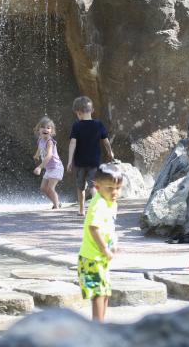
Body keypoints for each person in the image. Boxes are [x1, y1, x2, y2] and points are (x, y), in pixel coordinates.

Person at [77, 163, 123, 322]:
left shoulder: (112, 202)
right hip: (91, 258)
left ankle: (100, 324)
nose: (115, 192)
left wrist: (114, 241)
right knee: (99, 293)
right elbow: (94, 228)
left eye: (118, 188)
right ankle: (97, 325)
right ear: (97, 187)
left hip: (100, 258)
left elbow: (109, 226)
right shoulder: (99, 204)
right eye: (110, 188)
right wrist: (105, 249)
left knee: (105, 292)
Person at [67, 96, 114, 216]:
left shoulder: (76, 125)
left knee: (80, 186)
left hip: (80, 162)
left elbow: (73, 142)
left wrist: (69, 160)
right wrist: (110, 152)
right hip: (94, 161)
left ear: (78, 113)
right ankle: (96, 208)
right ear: (92, 110)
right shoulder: (98, 124)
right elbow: (106, 141)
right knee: (93, 185)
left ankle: (81, 210)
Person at [33, 117, 64, 209]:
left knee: (50, 188)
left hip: (56, 167)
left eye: (48, 127)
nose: (45, 129)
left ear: (52, 131)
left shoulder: (50, 142)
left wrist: (40, 167)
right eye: (43, 127)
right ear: (38, 129)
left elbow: (49, 155)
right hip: (49, 169)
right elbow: (39, 149)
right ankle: (57, 202)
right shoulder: (40, 140)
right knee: (43, 188)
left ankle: (56, 207)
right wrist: (36, 155)